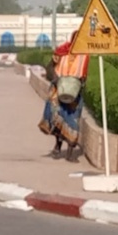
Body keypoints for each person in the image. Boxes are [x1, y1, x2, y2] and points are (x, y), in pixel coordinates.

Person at [37, 30, 89, 162]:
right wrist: (55, 79)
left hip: (74, 94)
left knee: (72, 120)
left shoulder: (85, 56)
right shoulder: (62, 51)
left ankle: (70, 152)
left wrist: (79, 84)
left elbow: (84, 75)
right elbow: (50, 67)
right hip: (57, 90)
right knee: (57, 118)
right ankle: (57, 146)